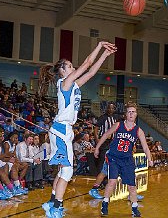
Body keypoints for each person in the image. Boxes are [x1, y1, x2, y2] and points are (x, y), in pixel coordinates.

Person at [40, 41, 117, 218]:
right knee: (67, 171)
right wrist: (99, 46)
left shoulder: (73, 85)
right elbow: (87, 64)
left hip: (64, 131)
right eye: (69, 65)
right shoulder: (65, 82)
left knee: (63, 170)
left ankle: (51, 203)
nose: (73, 66)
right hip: (60, 130)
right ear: (63, 71)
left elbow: (91, 72)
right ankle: (56, 208)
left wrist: (105, 55)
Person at [94, 102, 153, 217]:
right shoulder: (118, 125)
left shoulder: (138, 130)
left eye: (133, 112)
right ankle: (105, 204)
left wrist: (150, 159)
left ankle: (134, 208)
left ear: (136, 114)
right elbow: (106, 135)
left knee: (132, 185)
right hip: (114, 158)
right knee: (112, 181)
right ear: (126, 114)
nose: (131, 114)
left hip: (127, 159)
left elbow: (145, 146)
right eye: (129, 112)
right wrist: (97, 148)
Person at [89, 103, 120, 199]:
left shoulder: (116, 118)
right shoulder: (103, 117)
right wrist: (97, 139)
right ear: (107, 109)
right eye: (109, 108)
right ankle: (99, 183)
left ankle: (105, 181)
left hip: (113, 143)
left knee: (110, 163)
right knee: (102, 163)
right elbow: (96, 128)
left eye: (112, 108)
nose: (110, 109)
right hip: (104, 142)